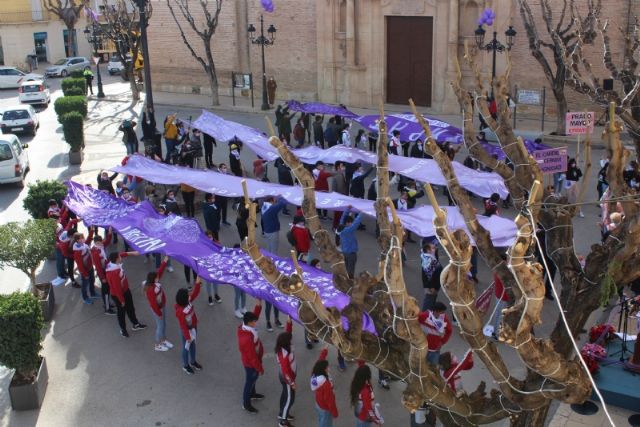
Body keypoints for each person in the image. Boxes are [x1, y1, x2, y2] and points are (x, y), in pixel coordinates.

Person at [106, 251, 147, 337]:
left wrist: (132, 253)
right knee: (121, 313)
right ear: (117, 259)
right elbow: (117, 288)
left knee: (131, 308)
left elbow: (121, 254)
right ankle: (123, 329)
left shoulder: (112, 263)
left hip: (125, 290)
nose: (121, 257)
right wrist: (121, 300)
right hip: (118, 295)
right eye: (119, 257)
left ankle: (135, 324)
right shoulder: (114, 272)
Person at [238, 302, 265, 414]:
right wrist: (260, 368)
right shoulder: (247, 339)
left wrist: (258, 304)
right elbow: (252, 357)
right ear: (249, 323)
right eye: (254, 321)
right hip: (251, 364)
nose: (256, 322)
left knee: (253, 379)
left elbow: (254, 315)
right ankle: (246, 404)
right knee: (249, 382)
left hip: (252, 361)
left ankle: (252, 394)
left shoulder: (246, 326)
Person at [144, 256, 173, 352]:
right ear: (154, 279)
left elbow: (160, 270)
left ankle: (163, 340)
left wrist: (165, 259)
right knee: (160, 326)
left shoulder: (155, 282)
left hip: (161, 306)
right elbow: (153, 304)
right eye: (156, 277)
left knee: (163, 324)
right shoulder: (150, 290)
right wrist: (159, 313)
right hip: (157, 309)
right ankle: (157, 344)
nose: (158, 277)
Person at [175, 277, 203, 374]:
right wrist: (188, 337)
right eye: (188, 295)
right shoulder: (180, 312)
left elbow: (195, 293)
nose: (189, 295)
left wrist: (198, 283)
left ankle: (193, 361)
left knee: (193, 345)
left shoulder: (188, 301)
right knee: (186, 348)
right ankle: (186, 365)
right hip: (187, 331)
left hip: (193, 328)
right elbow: (183, 326)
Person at [275, 318, 296, 427]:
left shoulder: (283, 346)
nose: (291, 340)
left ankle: (282, 413)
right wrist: (292, 382)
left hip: (285, 376)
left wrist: (289, 322)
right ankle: (283, 421)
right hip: (287, 378)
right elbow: (286, 371)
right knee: (289, 399)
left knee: (285, 394)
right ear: (286, 342)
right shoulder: (284, 354)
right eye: (290, 339)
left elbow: (288, 333)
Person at [310, 347, 339, 427]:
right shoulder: (325, 384)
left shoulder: (315, 373)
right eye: (327, 367)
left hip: (318, 403)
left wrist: (324, 351)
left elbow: (320, 359)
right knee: (326, 424)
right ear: (323, 369)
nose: (328, 368)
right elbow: (329, 399)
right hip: (325, 408)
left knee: (321, 420)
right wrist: (335, 412)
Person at [90, 227, 115, 314]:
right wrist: (103, 277)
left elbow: (107, 241)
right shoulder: (96, 252)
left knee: (107, 289)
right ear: (95, 243)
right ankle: (107, 308)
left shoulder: (100, 246)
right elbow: (98, 267)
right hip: (103, 273)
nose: (100, 244)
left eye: (100, 242)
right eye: (98, 243)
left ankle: (107, 304)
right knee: (105, 291)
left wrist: (110, 232)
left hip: (105, 271)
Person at [73, 229, 98, 304]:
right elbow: (80, 265)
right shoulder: (77, 251)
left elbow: (88, 240)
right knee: (85, 285)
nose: (83, 239)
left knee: (92, 280)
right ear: (77, 240)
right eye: (81, 238)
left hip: (90, 267)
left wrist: (91, 231)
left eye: (83, 237)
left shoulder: (83, 245)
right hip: (85, 271)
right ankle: (85, 298)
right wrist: (85, 274)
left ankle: (93, 293)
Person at [338, 206, 363, 278]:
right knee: (350, 270)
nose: (351, 224)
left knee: (345, 268)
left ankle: (345, 279)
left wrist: (347, 209)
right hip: (351, 254)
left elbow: (343, 218)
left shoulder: (341, 227)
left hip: (344, 252)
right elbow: (356, 223)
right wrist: (361, 213)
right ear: (347, 223)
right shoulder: (349, 230)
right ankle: (350, 281)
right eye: (351, 223)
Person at [420, 243, 442, 311]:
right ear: (428, 250)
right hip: (431, 287)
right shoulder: (429, 261)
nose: (435, 249)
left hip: (434, 285)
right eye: (433, 248)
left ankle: (429, 314)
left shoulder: (429, 257)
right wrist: (431, 287)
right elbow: (427, 275)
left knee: (431, 301)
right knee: (429, 302)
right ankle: (425, 315)